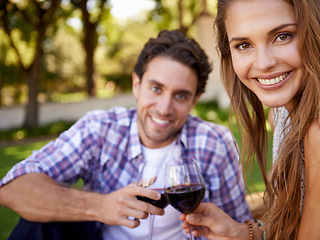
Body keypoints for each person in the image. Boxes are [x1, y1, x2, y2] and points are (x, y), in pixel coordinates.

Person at [0, 30, 252, 240]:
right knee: (39, 220)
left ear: (195, 100)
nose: (164, 108)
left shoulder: (215, 142)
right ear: (136, 84)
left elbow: (238, 227)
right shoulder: (100, 129)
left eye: (181, 95)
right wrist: (100, 206)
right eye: (156, 88)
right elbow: (13, 188)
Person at [180, 0, 320, 239]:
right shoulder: (281, 114)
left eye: (283, 36)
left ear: (316, 33)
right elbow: (299, 225)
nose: (264, 63)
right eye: (244, 45)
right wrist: (242, 232)